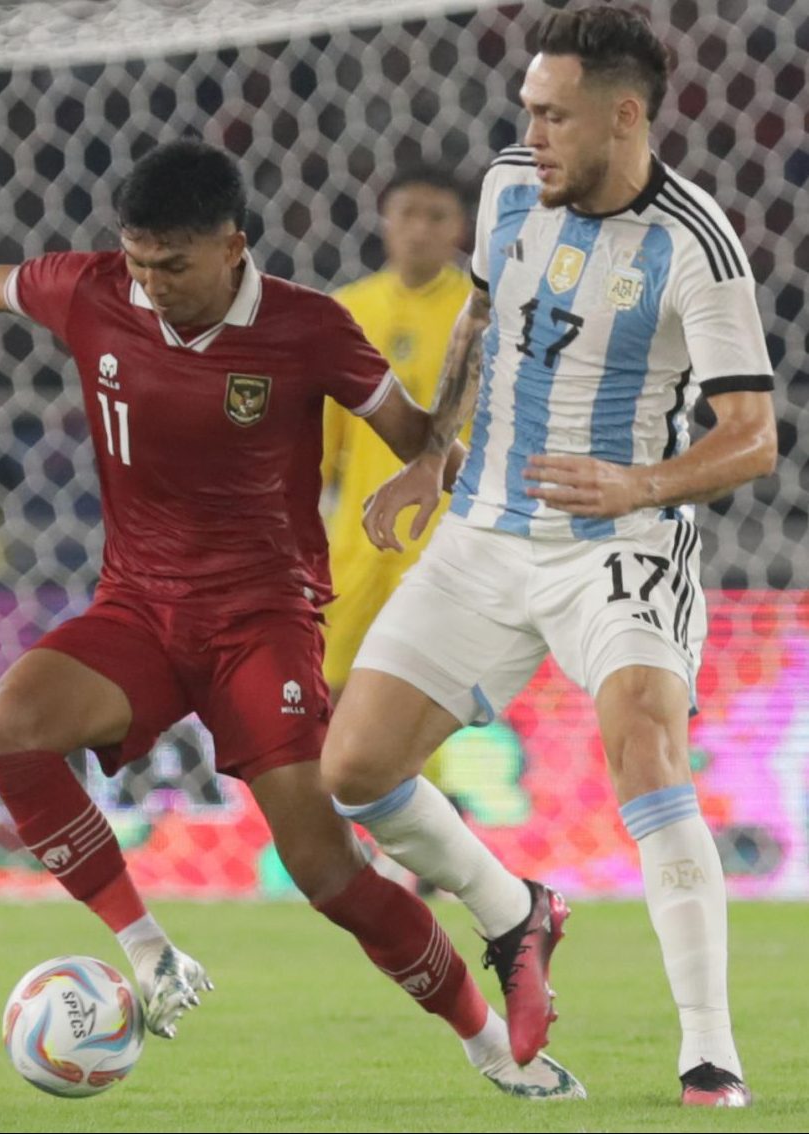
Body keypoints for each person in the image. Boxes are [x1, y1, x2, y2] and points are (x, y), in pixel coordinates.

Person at [0, 139, 583, 1098]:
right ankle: (148, 947)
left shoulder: (308, 329)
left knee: (328, 873)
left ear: (234, 246)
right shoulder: (93, 291)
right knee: (10, 730)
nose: (151, 283)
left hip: (263, 623)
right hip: (139, 609)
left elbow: (419, 435)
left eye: (173, 263)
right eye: (138, 258)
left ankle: (490, 1042)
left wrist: (437, 453)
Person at [320, 7, 776, 1108]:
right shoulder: (508, 188)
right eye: (525, 109)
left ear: (624, 116)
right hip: (480, 528)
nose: (530, 133)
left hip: (615, 542)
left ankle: (707, 1050)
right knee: (354, 771)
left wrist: (642, 483)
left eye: (552, 115)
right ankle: (516, 910)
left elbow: (752, 435)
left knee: (641, 741)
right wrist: (431, 450)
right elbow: (483, 315)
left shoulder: (696, 245)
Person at [321, 164, 470, 702]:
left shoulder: (483, 316)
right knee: (331, 702)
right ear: (384, 220)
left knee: (417, 707)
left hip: (446, 548)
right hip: (355, 544)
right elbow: (318, 448)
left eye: (437, 216)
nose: (421, 229)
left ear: (461, 228)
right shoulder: (345, 310)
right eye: (408, 213)